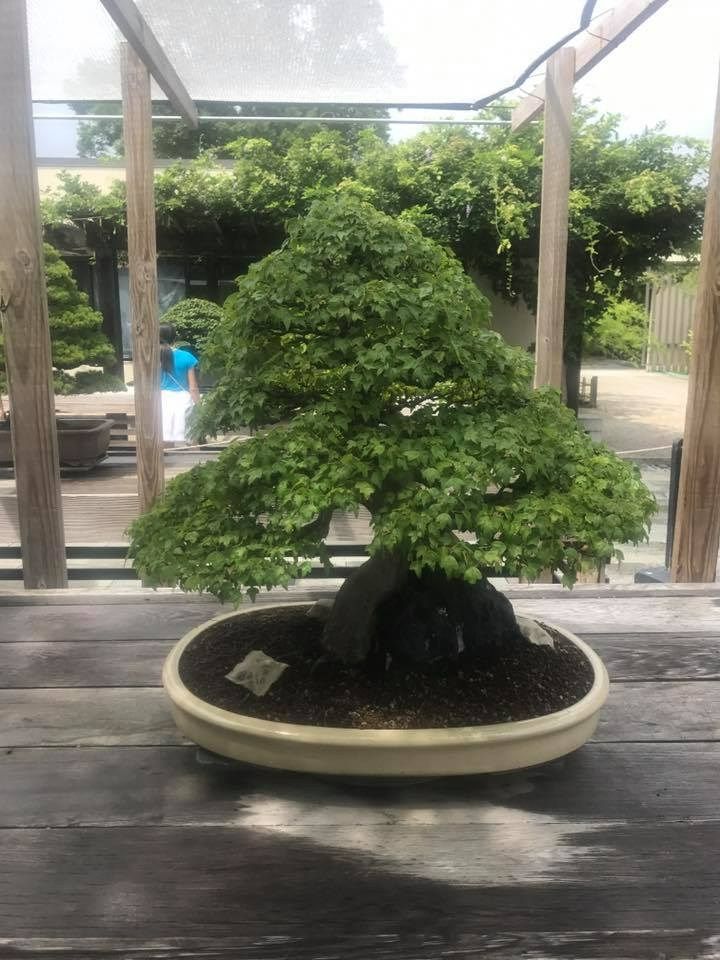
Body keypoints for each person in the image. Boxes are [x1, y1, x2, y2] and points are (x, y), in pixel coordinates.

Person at [159, 322, 200, 445]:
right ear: (175, 338)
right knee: (184, 438)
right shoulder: (187, 357)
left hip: (161, 400)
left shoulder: (151, 356)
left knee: (163, 438)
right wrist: (200, 406)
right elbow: (193, 388)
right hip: (182, 400)